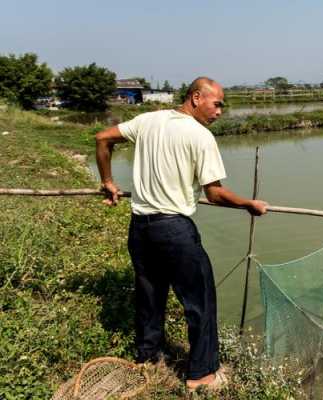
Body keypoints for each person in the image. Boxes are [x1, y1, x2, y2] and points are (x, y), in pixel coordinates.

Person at [95, 77, 268, 392]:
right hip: (174, 230)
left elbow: (102, 138)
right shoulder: (200, 136)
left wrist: (108, 180)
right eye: (217, 104)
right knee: (200, 300)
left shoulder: (148, 120)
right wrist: (248, 204)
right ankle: (201, 373)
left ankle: (148, 357)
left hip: (140, 227)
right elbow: (214, 194)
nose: (219, 112)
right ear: (196, 97)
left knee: (150, 295)